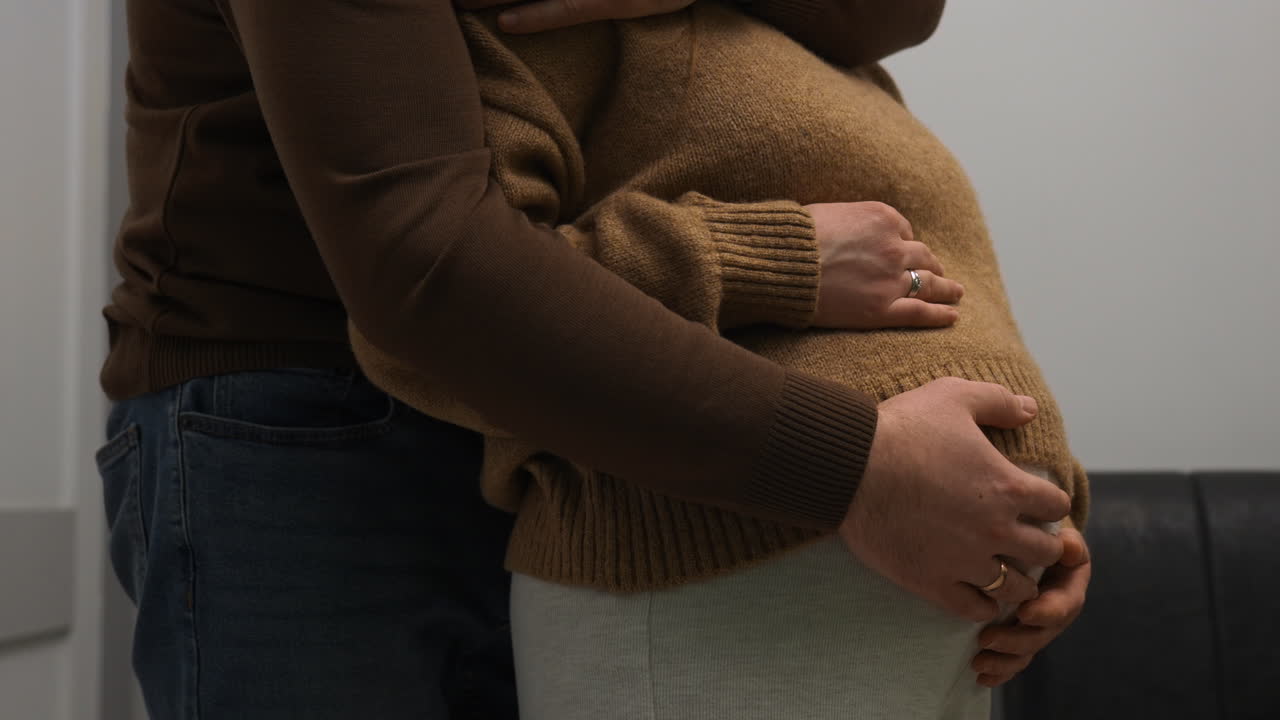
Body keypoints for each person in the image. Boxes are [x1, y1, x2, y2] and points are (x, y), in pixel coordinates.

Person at [96, 0, 1087, 718]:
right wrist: (862, 467)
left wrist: (1013, 517)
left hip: (590, 409)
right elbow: (426, 262)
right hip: (303, 422)